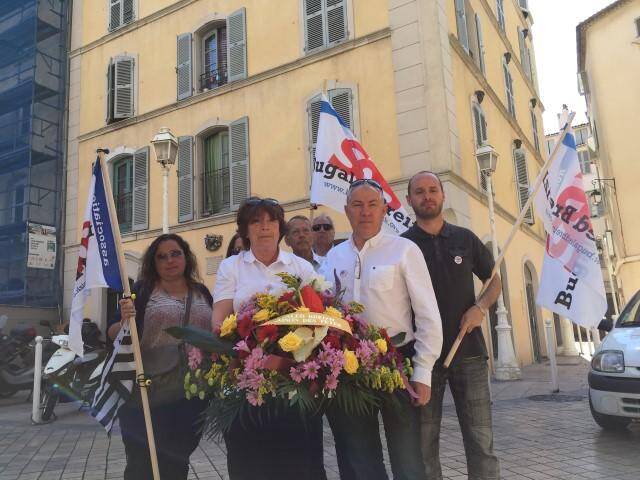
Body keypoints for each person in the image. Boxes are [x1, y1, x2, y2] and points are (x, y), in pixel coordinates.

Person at [320, 179, 443, 480]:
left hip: (397, 364)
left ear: (384, 209)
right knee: (360, 457)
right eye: (357, 205)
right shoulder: (333, 258)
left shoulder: (404, 250)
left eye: (372, 204)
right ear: (346, 211)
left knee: (408, 458)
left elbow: (428, 315)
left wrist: (423, 372)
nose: (365, 212)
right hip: (351, 369)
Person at [212, 197, 327, 480]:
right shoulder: (231, 267)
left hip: (294, 381)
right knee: (250, 465)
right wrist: (244, 352)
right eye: (256, 221)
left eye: (271, 220)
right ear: (245, 230)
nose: (264, 227)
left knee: (298, 465)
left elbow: (323, 315)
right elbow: (220, 320)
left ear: (280, 227)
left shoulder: (299, 267)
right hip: (246, 382)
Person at [402, 171, 502, 480]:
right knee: (423, 447)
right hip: (422, 362)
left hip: (469, 354)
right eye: (420, 192)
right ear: (409, 201)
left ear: (443, 196)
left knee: (481, 443)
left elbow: (493, 280)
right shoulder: (401, 246)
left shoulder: (465, 238)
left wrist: (480, 307)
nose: (427, 196)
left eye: (433, 190)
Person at [109, 233, 212, 479]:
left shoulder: (202, 292)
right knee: (141, 463)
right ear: (153, 264)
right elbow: (112, 334)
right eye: (161, 257)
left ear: (186, 256)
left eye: (175, 253)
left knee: (177, 461)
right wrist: (124, 319)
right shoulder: (141, 291)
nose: (169, 260)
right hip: (146, 393)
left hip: (192, 395)